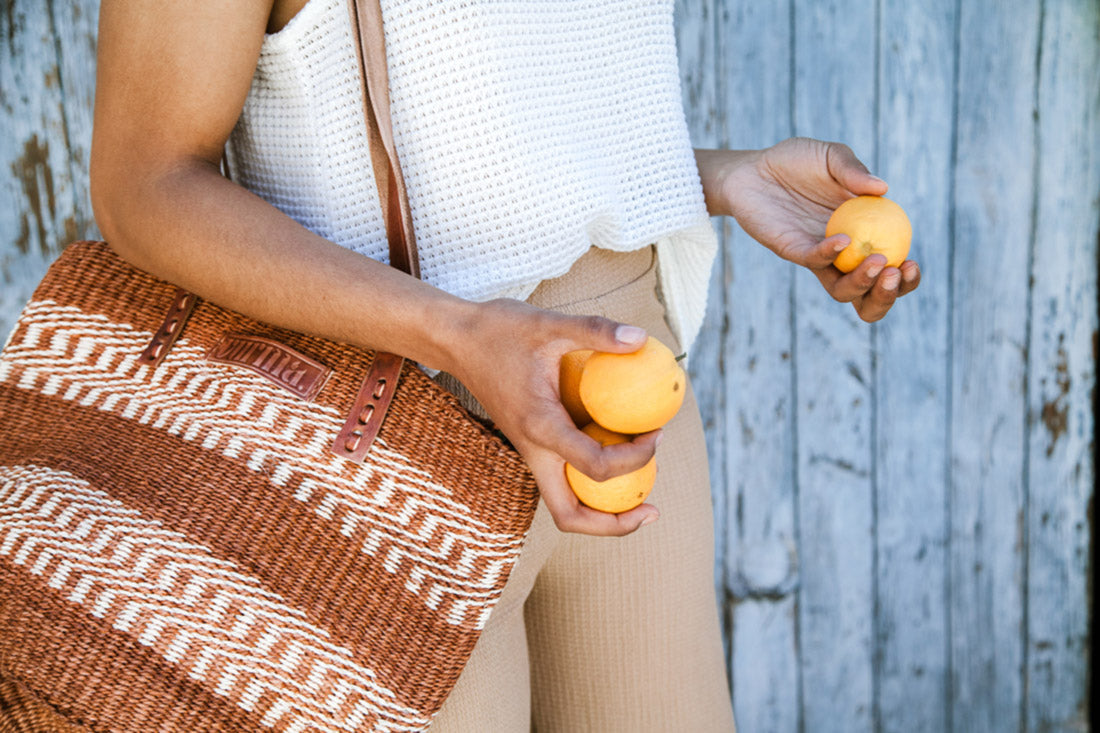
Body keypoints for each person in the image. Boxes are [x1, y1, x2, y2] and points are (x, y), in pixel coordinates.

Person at [89, 0, 920, 730]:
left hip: (624, 387)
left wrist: (715, 176)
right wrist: (455, 333)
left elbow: (508, 92)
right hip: (389, 415)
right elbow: (143, 180)